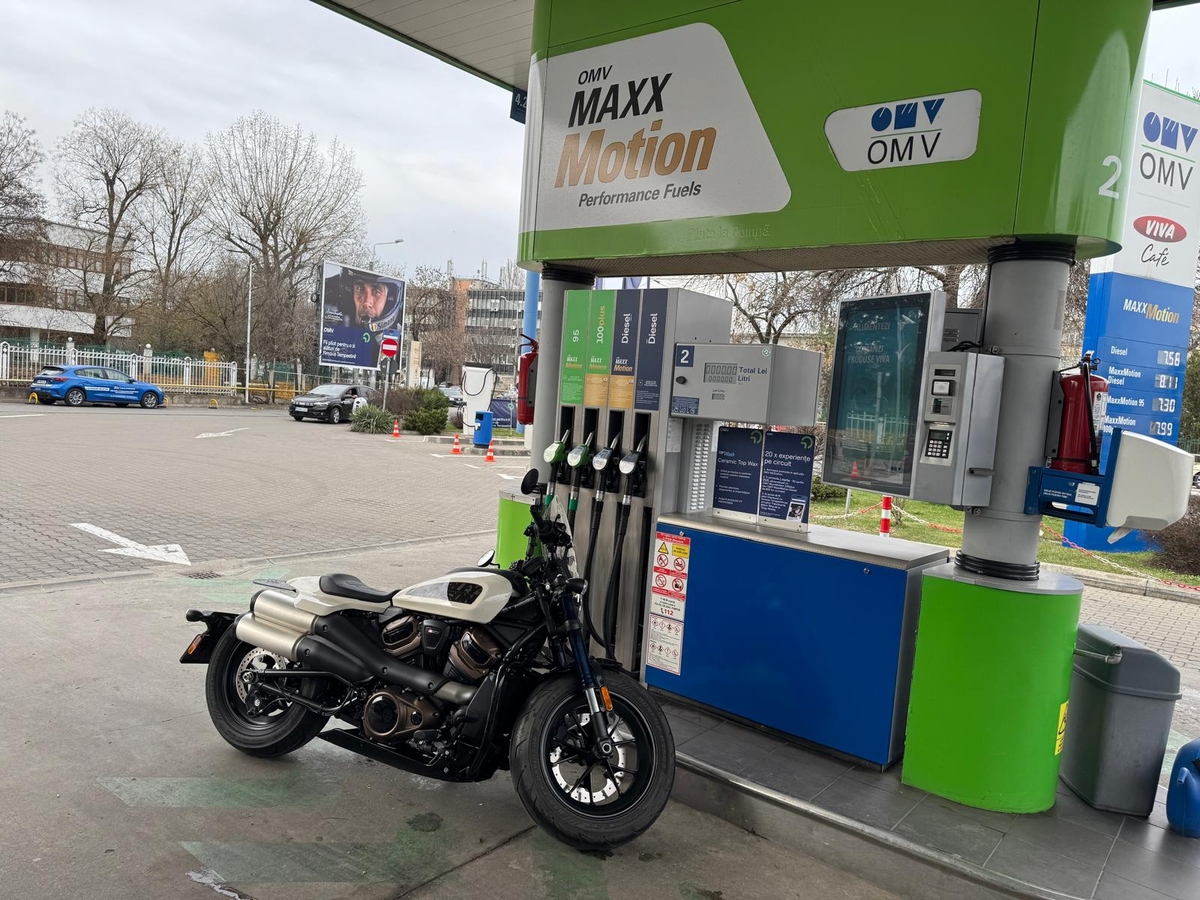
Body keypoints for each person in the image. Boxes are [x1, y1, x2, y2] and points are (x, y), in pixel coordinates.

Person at [324, 266, 404, 336]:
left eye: (377, 292)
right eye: (360, 289)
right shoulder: (330, 326)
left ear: (389, 300)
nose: (366, 302)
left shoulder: (397, 339)